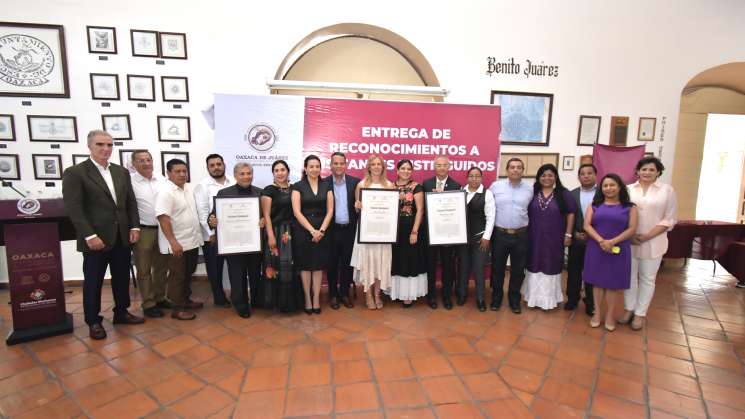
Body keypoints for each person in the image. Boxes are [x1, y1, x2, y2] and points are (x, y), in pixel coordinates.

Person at [62, 130, 144, 340]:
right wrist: (89, 235)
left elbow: (130, 202)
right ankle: (93, 320)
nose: (106, 149)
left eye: (109, 145)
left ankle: (121, 312)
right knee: (94, 281)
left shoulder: (121, 172)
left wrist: (134, 227)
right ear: (90, 146)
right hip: (95, 239)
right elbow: (74, 208)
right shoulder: (76, 172)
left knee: (121, 277)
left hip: (121, 236)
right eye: (100, 144)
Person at [621, 156, 677, 331]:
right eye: (644, 169)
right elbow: (621, 213)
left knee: (647, 279)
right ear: (637, 171)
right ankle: (629, 309)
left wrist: (646, 236)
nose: (647, 172)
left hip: (654, 242)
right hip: (630, 241)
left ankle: (640, 314)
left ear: (658, 172)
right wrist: (629, 235)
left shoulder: (667, 191)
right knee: (629, 277)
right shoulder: (628, 190)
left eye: (651, 169)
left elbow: (670, 219)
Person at [583, 173, 638, 331]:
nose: (609, 188)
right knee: (597, 283)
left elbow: (632, 229)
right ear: (602, 188)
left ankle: (610, 316)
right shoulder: (594, 205)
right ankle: (597, 314)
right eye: (605, 185)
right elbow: (587, 225)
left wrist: (612, 242)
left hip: (618, 249)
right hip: (596, 247)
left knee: (613, 285)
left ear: (620, 186)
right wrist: (601, 240)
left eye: (612, 185)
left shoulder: (630, 207)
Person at [207, 163, 263, 318]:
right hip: (233, 244)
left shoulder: (260, 192)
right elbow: (213, 216)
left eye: (249, 173)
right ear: (236, 175)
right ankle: (241, 304)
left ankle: (257, 300)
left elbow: (266, 215)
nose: (246, 176)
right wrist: (212, 221)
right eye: (242, 174)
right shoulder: (224, 193)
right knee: (237, 275)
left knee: (255, 274)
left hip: (254, 242)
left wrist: (263, 221)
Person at [522, 163, 576, 310]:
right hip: (534, 237)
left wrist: (568, 234)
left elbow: (571, 213)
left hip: (555, 239)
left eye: (550, 175)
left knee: (550, 265)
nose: (547, 178)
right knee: (533, 263)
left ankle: (548, 300)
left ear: (556, 177)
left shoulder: (564, 194)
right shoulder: (533, 192)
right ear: (538, 177)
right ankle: (532, 297)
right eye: (543, 175)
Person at [156, 159, 204, 321]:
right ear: (168, 173)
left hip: (191, 240)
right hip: (177, 243)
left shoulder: (187, 189)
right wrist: (173, 242)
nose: (182, 174)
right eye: (178, 171)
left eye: (184, 171)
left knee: (188, 273)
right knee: (178, 276)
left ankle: (186, 300)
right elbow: (163, 218)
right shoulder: (166, 192)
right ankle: (177, 308)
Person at [350, 154, 395, 310]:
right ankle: (368, 294)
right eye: (373, 164)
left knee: (380, 262)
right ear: (369, 167)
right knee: (368, 262)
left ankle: (377, 295)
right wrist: (358, 206)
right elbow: (358, 209)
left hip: (383, 232)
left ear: (383, 167)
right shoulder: (361, 185)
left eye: (379, 164)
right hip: (366, 232)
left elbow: (392, 211)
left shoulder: (390, 185)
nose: (376, 167)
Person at [489, 157, 533, 314]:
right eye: (512, 167)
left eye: (519, 167)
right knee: (498, 268)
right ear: (506, 170)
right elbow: (488, 209)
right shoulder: (495, 186)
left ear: (523, 170)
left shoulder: (530, 189)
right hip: (500, 234)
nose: (515, 170)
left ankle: (514, 300)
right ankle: (496, 298)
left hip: (521, 235)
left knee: (518, 269)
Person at [291, 155, 334, 314]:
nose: (314, 169)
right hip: (303, 231)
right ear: (306, 168)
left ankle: (316, 299)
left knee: (317, 266)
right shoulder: (297, 186)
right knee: (305, 266)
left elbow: (330, 210)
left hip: (323, 231)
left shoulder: (327, 185)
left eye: (317, 166)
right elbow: (296, 212)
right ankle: (307, 299)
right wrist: (311, 231)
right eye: (311, 166)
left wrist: (321, 231)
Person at [130, 150, 170, 318]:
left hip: (163, 229)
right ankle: (148, 303)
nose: (146, 163)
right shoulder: (129, 182)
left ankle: (160, 297)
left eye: (148, 159)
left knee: (162, 267)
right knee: (144, 268)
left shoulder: (161, 179)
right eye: (141, 160)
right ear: (133, 164)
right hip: (143, 230)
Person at [422, 155, 462, 310]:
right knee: (430, 266)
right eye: (438, 165)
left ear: (449, 167)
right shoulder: (427, 184)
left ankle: (446, 297)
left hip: (447, 234)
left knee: (447, 266)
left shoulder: (456, 185)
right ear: (434, 167)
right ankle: (431, 296)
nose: (442, 168)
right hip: (431, 234)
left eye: (444, 165)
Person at [194, 154, 233, 307]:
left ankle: (235, 294)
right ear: (208, 168)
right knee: (215, 268)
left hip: (231, 233)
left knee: (233, 266)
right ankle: (219, 297)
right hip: (212, 235)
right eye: (212, 165)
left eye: (219, 164)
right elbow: (202, 212)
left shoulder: (234, 181)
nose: (216, 167)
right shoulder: (202, 186)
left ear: (224, 164)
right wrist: (211, 233)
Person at [261, 160, 298, 312]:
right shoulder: (269, 190)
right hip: (275, 232)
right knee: (273, 266)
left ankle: (288, 303)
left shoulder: (295, 189)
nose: (280, 173)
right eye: (276, 170)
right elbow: (266, 215)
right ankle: (273, 302)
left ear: (288, 171)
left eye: (283, 169)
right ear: (273, 173)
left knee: (289, 267)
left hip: (292, 233)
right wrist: (270, 235)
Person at [324, 152, 360, 309]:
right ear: (331, 165)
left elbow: (363, 205)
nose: (338, 166)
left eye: (341, 163)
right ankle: (332, 294)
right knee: (331, 263)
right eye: (335, 163)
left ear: (346, 165)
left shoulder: (355, 183)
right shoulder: (323, 183)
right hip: (331, 230)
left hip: (349, 230)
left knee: (347, 263)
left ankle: (344, 293)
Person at [390, 159, 427, 308]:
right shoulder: (390, 186)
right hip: (393, 231)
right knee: (396, 261)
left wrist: (415, 231)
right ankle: (397, 292)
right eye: (403, 168)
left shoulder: (416, 187)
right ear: (397, 170)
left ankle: (408, 295)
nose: (406, 171)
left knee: (409, 261)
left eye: (408, 169)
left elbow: (420, 210)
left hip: (410, 229)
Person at [457, 167, 495, 312]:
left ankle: (480, 298)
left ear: (481, 177)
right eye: (471, 176)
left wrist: (487, 237)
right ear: (467, 178)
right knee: (463, 267)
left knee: (479, 268)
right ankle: (462, 295)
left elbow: (491, 218)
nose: (474, 179)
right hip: (463, 238)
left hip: (480, 237)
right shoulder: (461, 191)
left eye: (477, 176)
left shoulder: (487, 194)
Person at [565, 164, 597, 316]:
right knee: (574, 271)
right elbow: (567, 217)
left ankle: (590, 303)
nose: (586, 176)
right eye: (582, 174)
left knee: (592, 272)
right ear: (578, 177)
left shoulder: (603, 194)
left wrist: (593, 234)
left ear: (595, 175)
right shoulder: (572, 194)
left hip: (596, 241)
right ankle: (572, 299)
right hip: (577, 239)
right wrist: (572, 234)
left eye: (589, 173)